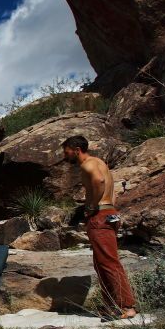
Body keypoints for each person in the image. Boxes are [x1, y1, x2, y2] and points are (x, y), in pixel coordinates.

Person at [61, 135, 138, 319]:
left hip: (100, 216)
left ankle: (126, 306)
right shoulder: (99, 162)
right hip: (110, 213)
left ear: (76, 150)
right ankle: (112, 306)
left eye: (67, 152)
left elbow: (99, 182)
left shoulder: (87, 165)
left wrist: (92, 206)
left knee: (108, 263)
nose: (65, 156)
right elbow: (111, 187)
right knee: (102, 263)